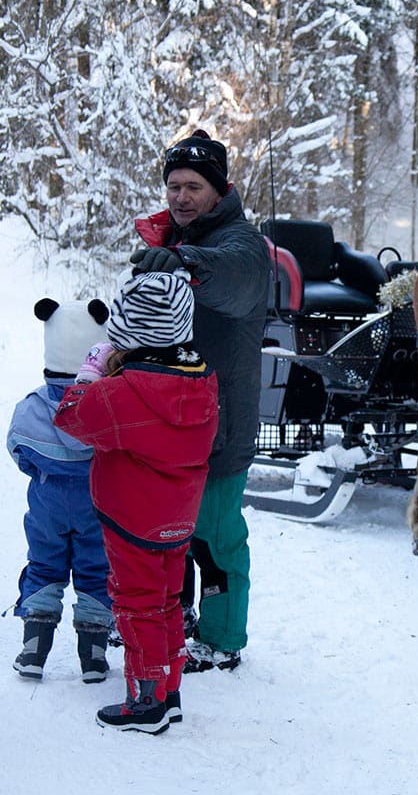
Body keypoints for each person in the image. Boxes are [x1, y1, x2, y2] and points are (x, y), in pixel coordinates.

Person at [129, 129, 270, 672]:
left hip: (221, 423)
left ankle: (221, 638)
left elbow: (230, 279)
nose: (180, 197)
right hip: (174, 420)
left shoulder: (242, 245)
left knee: (214, 536)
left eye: (193, 186)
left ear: (219, 188)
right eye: (173, 186)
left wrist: (185, 264)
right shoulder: (172, 241)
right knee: (175, 533)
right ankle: (184, 618)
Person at [54, 271, 219, 734]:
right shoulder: (202, 378)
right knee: (167, 602)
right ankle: (168, 691)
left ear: (127, 330)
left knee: (136, 605)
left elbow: (68, 416)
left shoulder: (121, 393)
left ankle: (145, 701)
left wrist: (91, 372)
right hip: (177, 515)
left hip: (131, 518)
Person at [8, 298, 113, 684]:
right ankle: (94, 658)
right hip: (96, 502)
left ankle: (34, 651)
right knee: (96, 570)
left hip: (47, 502)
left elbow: (18, 448)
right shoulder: (106, 404)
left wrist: (42, 473)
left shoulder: (32, 405)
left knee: (44, 567)